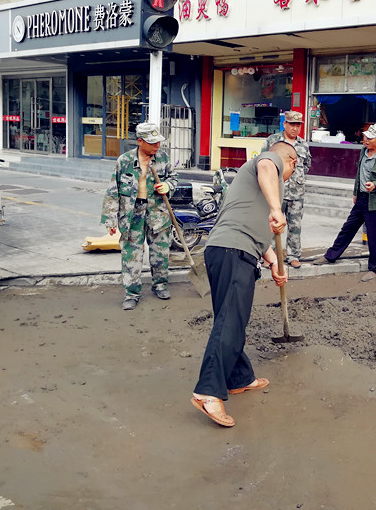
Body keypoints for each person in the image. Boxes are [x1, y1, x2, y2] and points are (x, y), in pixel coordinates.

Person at [191, 142, 298, 428]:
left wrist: (274, 262)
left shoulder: (252, 190)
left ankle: (239, 377)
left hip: (228, 249)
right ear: (290, 162)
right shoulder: (270, 162)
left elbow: (254, 230)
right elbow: (267, 165)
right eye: (291, 168)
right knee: (230, 321)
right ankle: (207, 392)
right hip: (233, 251)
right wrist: (276, 208)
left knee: (231, 319)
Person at [101, 122, 179, 311]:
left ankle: (160, 285)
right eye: (152, 143)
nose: (157, 146)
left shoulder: (162, 158)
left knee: (160, 252)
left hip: (157, 213)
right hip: (132, 215)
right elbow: (113, 190)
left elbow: (174, 178)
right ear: (140, 141)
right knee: (132, 256)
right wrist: (110, 219)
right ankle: (132, 294)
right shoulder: (125, 161)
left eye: (158, 142)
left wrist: (168, 186)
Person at [313, 123, 376, 282]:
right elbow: (359, 175)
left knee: (374, 236)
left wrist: (375, 185)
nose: (366, 140)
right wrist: (356, 193)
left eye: (370, 138)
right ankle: (331, 256)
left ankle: (374, 268)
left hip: (375, 201)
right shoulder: (364, 151)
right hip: (362, 198)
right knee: (348, 228)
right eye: (365, 137)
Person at [261, 111, 312, 268]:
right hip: (276, 192)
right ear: (285, 124)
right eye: (292, 124)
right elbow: (263, 163)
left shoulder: (303, 145)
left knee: (295, 226)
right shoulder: (272, 141)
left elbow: (306, 166)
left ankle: (293, 255)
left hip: (296, 193)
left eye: (298, 125)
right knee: (272, 224)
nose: (295, 128)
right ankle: (270, 255)